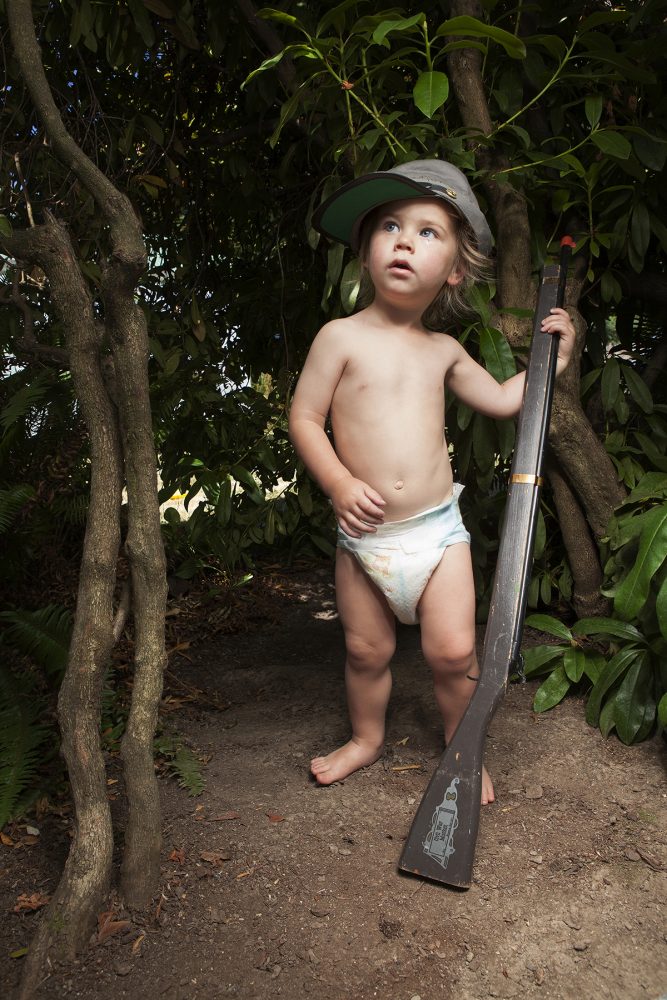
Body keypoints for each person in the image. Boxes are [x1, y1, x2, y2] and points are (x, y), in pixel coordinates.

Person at [289, 159, 575, 804]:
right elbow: (304, 416)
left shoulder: (442, 350)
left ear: (451, 270)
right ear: (365, 253)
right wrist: (336, 480)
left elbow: (506, 400)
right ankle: (365, 739)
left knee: (452, 655)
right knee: (366, 652)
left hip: (437, 534)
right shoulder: (339, 338)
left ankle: (461, 747)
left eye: (426, 232)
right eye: (390, 226)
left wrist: (552, 359)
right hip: (364, 536)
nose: (403, 241)